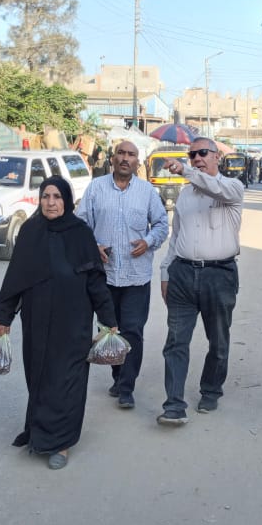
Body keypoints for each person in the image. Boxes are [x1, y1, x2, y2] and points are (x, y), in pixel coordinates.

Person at [0, 176, 118, 469]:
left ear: (67, 201)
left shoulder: (81, 234)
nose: (51, 203)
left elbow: (95, 281)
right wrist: (4, 316)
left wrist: (108, 320)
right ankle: (39, 434)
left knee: (66, 382)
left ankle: (60, 444)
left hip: (73, 323)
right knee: (39, 377)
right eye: (46, 196)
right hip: (36, 321)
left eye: (57, 197)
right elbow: (15, 277)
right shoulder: (30, 231)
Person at [156, 138, 244, 426]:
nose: (197, 159)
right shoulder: (185, 195)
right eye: (192, 155)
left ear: (217, 156)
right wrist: (166, 272)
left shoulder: (231, 188)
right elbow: (176, 236)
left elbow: (214, 187)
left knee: (218, 341)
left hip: (219, 276)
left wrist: (185, 170)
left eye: (203, 153)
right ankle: (173, 405)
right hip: (182, 274)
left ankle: (211, 390)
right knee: (175, 341)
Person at [76, 140, 168, 410]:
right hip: (103, 277)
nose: (126, 158)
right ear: (112, 158)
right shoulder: (96, 188)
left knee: (133, 331)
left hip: (136, 276)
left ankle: (127, 387)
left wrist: (148, 241)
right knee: (108, 330)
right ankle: (118, 376)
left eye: (131, 155)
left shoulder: (147, 191)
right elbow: (80, 224)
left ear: (138, 162)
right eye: (121, 153)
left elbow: (162, 224)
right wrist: (93, 246)